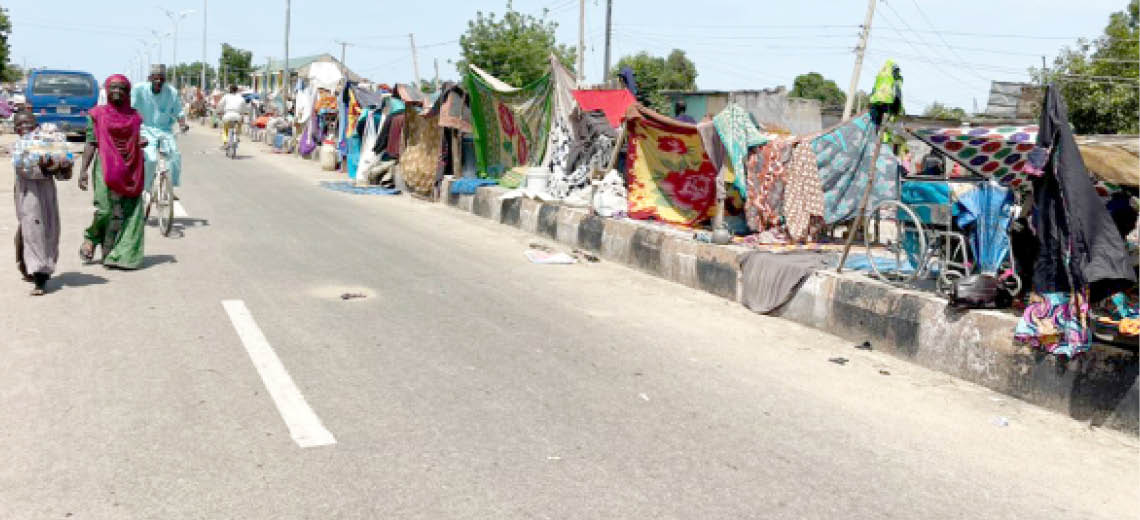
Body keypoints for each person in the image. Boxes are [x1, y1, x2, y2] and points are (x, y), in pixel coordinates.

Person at [78, 75, 147, 270]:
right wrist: (83, 170)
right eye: (113, 88)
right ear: (106, 91)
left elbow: (135, 136)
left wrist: (139, 141)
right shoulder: (97, 114)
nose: (117, 91)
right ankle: (91, 238)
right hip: (105, 166)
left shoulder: (135, 116)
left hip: (131, 167)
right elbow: (91, 142)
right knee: (105, 210)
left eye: (122, 88)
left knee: (129, 212)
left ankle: (123, 256)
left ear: (128, 92)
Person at [11, 112, 72, 295]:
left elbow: (63, 173)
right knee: (33, 229)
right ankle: (40, 277)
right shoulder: (19, 147)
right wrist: (44, 167)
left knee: (50, 230)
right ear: (16, 129)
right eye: (21, 124)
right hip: (27, 192)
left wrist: (61, 165)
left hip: (47, 191)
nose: (26, 127)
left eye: (29, 123)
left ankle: (34, 266)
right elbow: (24, 170)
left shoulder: (46, 141)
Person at [132, 64, 188, 198]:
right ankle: (145, 188)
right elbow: (131, 109)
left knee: (175, 156)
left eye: (161, 79)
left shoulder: (171, 92)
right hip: (145, 129)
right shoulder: (139, 90)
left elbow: (179, 112)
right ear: (149, 78)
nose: (158, 82)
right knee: (150, 159)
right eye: (155, 79)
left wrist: (182, 124)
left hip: (165, 130)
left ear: (165, 80)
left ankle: (170, 187)